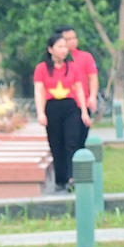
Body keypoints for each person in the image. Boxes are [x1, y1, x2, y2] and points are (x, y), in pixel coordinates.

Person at [33, 32, 92, 192]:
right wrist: (40, 113)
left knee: (72, 141)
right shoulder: (42, 68)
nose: (64, 50)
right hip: (52, 107)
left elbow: (79, 89)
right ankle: (61, 179)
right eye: (60, 47)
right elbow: (39, 91)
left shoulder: (72, 67)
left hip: (70, 107)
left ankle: (72, 177)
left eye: (65, 47)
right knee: (56, 143)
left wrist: (84, 112)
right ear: (51, 49)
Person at [57, 25, 99, 149]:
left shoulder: (85, 57)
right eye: (68, 39)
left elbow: (93, 77)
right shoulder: (56, 60)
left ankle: (79, 166)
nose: (73, 41)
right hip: (64, 103)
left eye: (74, 38)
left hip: (82, 103)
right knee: (66, 142)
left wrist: (92, 97)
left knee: (80, 140)